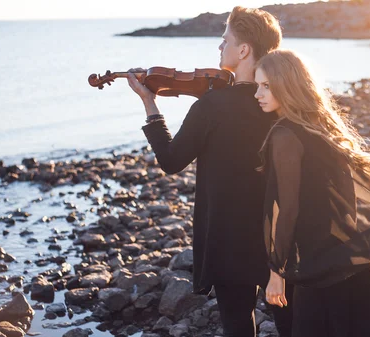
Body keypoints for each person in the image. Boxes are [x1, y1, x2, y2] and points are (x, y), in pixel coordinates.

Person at [126, 7, 292, 337]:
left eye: (225, 40)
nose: (219, 48)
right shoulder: (284, 102)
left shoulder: (212, 106)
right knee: (292, 321)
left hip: (228, 234)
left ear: (243, 50)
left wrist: (149, 103)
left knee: (237, 323)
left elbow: (171, 161)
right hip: (280, 231)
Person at [254, 49, 370, 337]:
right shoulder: (320, 128)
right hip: (347, 253)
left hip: (317, 264)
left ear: (287, 84)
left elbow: (288, 208)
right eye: (257, 85)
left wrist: (276, 272)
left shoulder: (284, 135)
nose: (257, 94)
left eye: (266, 86)